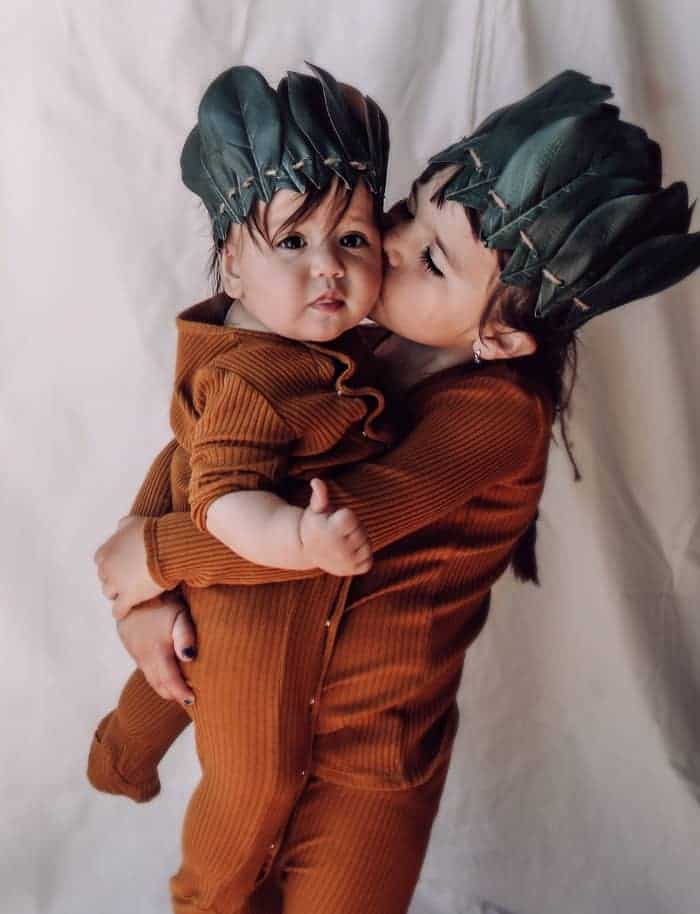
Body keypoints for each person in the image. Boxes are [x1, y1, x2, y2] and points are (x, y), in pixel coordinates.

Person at [92, 71, 700, 914]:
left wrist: (151, 556)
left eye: (431, 258)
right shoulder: (348, 343)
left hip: (368, 761)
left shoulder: (497, 419)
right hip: (264, 709)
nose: (386, 241)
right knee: (227, 887)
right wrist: (140, 589)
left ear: (497, 333)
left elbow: (326, 533)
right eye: (409, 212)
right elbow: (212, 434)